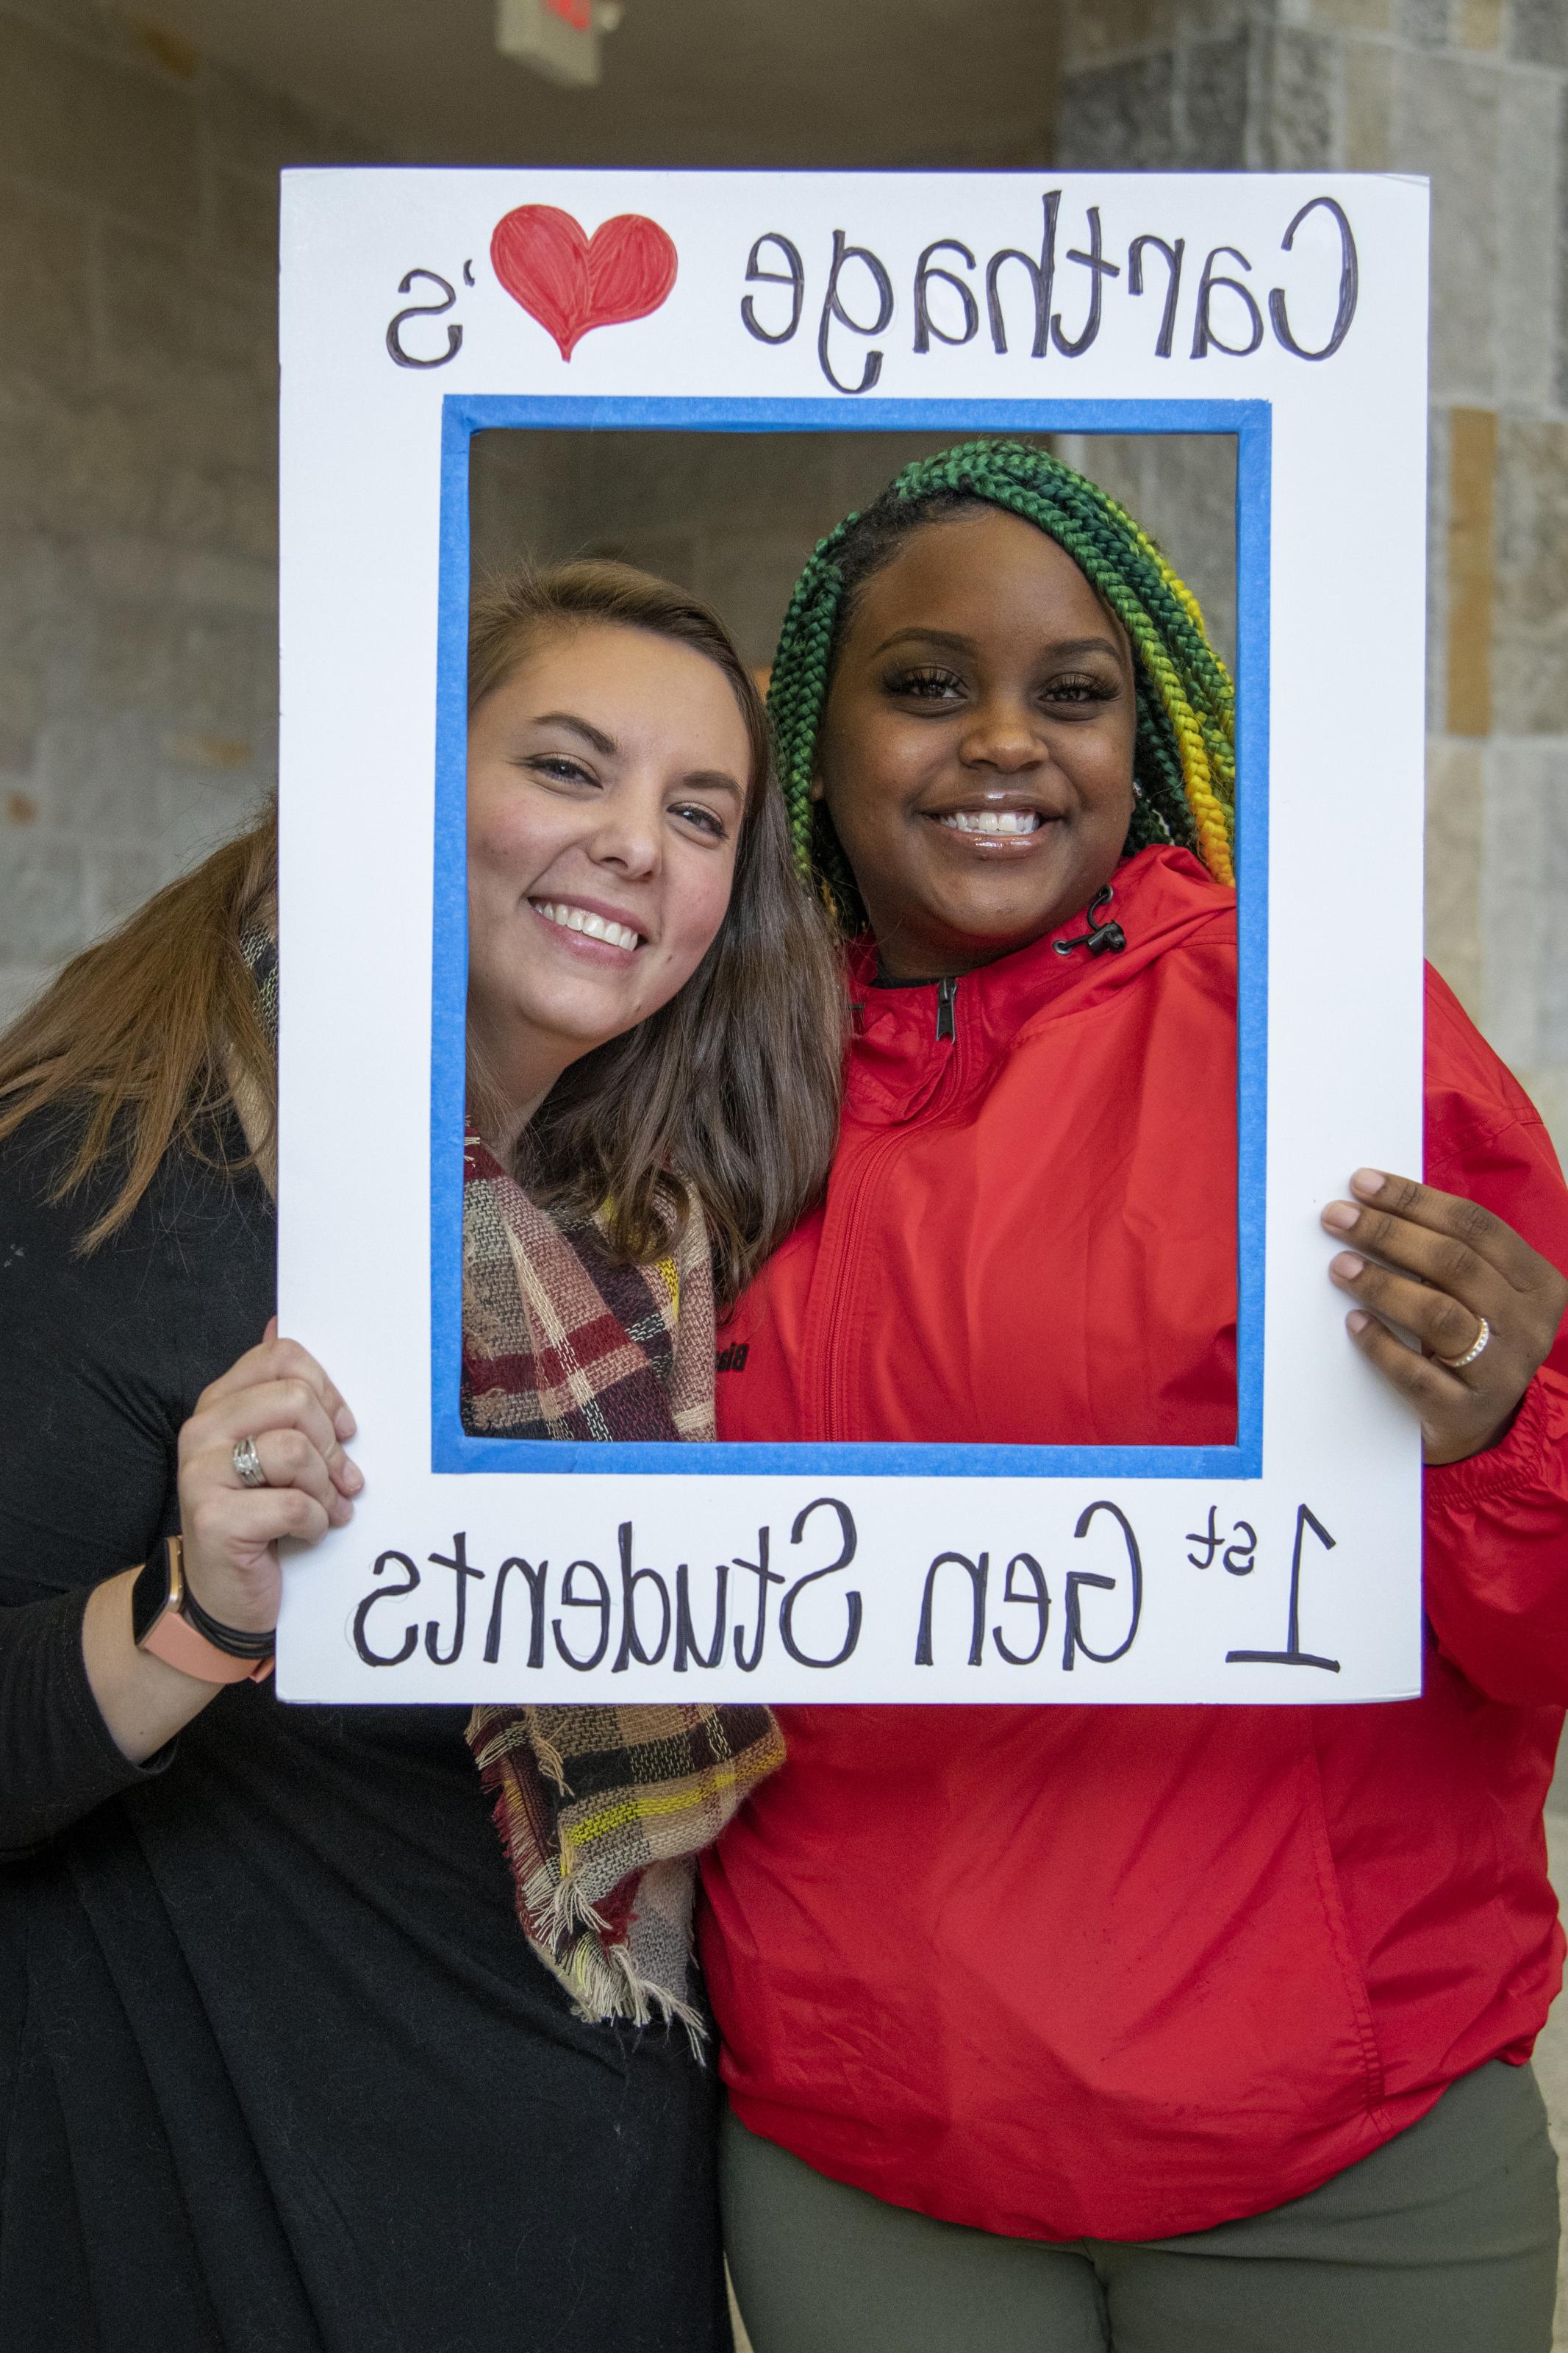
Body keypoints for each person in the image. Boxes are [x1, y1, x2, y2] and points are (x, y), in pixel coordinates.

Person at [700, 441, 1568, 2353]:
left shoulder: (1315, 1027)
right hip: (865, 2140)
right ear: (813, 734)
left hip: (1332, 2155)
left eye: (1069, 692)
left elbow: (1541, 1631)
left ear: (1144, 729)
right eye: (925, 683)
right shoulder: (706, 1081)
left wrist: (1511, 1433)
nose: (1001, 740)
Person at [0, 560, 842, 2351]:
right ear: (411, 776)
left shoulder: (644, 1229)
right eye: (565, 766)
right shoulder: (117, 1166)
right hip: (235, 2216)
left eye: (698, 812)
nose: (635, 843)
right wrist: (195, 1613)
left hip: (580, 2187)